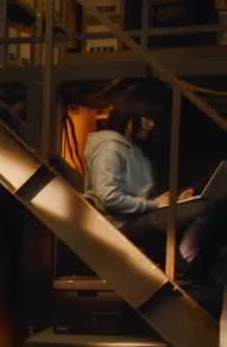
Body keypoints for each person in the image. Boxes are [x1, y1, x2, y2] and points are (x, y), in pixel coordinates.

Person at [82, 85, 227, 310]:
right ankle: (185, 271)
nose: (151, 125)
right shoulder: (108, 148)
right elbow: (109, 198)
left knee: (211, 206)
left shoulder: (135, 150)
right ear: (131, 119)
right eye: (146, 119)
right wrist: (154, 204)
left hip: (140, 216)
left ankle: (194, 268)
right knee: (206, 208)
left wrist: (175, 200)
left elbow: (139, 194)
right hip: (121, 224)